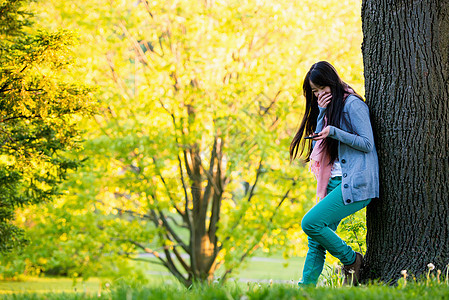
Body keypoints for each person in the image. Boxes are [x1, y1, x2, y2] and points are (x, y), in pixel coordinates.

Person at [290, 61, 379, 286]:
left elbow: (367, 143)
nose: (319, 95)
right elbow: (321, 142)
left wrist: (335, 132)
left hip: (354, 183)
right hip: (333, 181)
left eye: (322, 89)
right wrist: (321, 114)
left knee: (310, 223)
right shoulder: (328, 108)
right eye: (314, 92)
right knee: (316, 242)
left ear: (332, 82)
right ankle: (305, 289)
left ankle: (351, 260)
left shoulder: (353, 105)